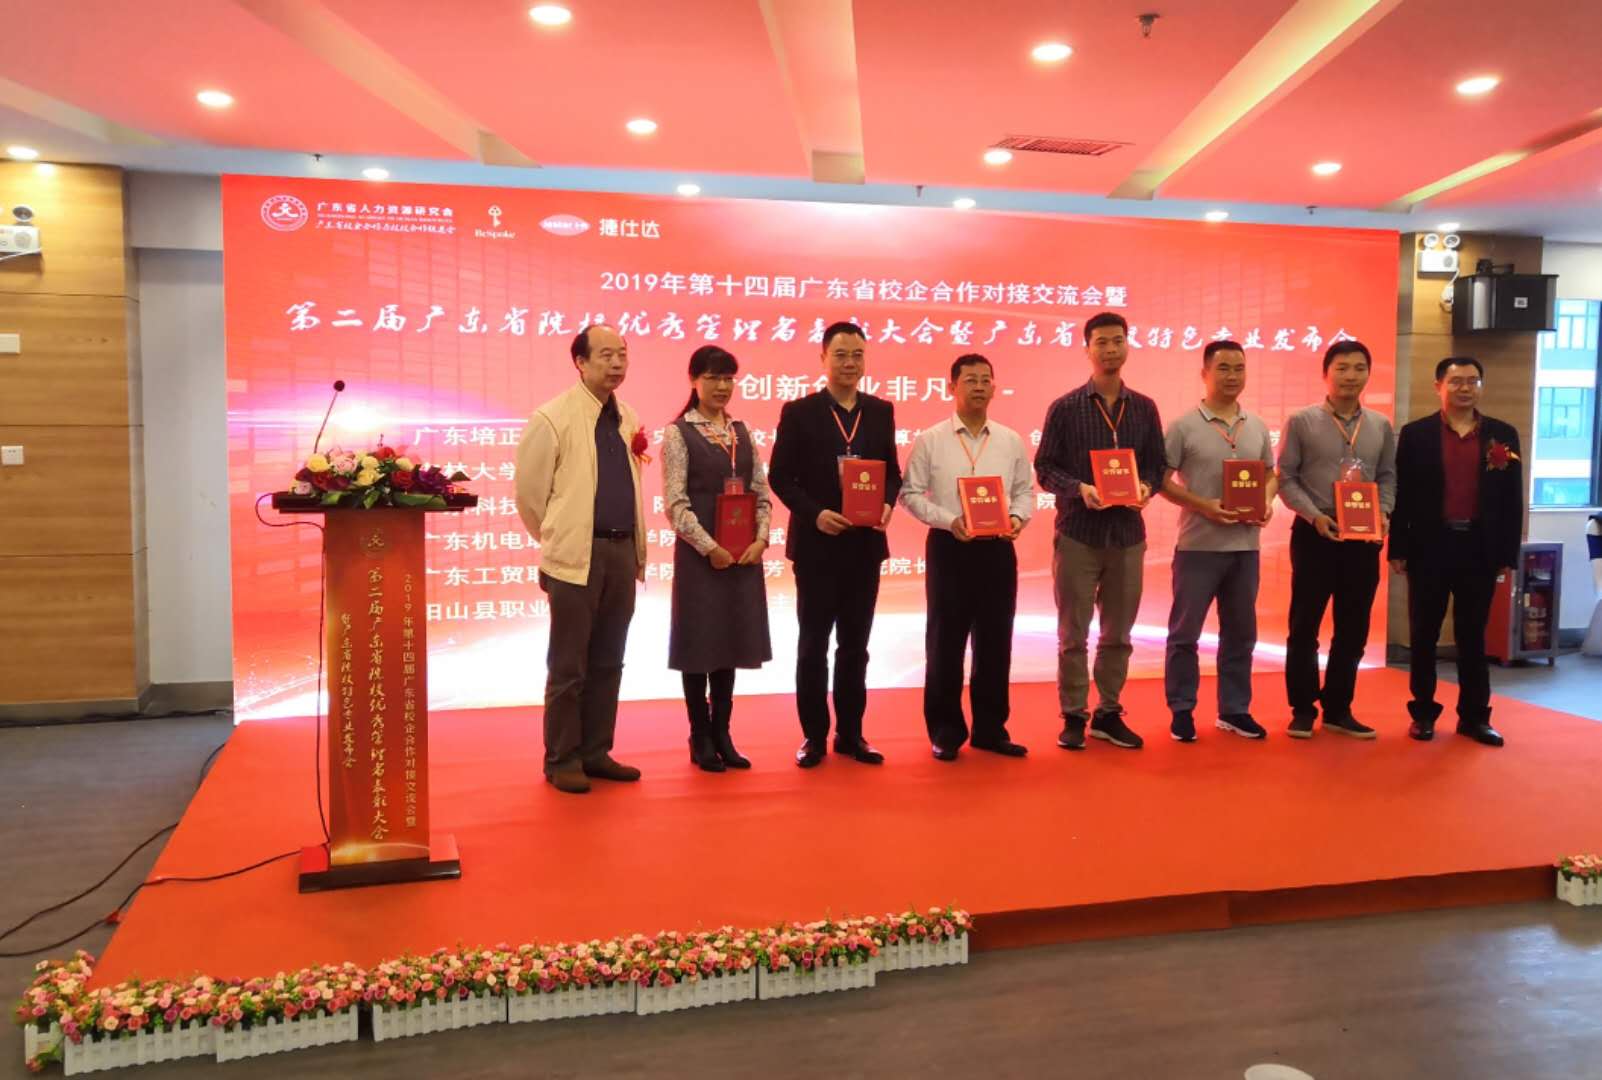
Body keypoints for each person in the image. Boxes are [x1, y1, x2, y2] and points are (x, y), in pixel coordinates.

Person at [514, 324, 645, 794]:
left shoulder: (627, 416)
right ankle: (562, 758)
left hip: (621, 552)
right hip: (575, 557)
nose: (617, 363)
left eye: (622, 354)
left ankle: (595, 751)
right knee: (569, 665)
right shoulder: (552, 417)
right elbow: (530, 497)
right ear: (580, 362)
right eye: (605, 355)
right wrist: (559, 538)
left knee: (609, 660)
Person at [769, 320, 902, 768]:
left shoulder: (879, 410)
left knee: (855, 646)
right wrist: (815, 514)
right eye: (841, 354)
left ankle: (851, 734)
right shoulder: (800, 411)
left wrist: (887, 504)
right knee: (813, 645)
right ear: (823, 358)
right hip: (817, 546)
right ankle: (813, 736)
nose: (850, 363)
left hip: (864, 547)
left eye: (857, 355)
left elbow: (893, 472)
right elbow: (780, 476)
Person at [1035, 312, 1164, 752]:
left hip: (1127, 535)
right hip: (1078, 533)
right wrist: (1080, 489)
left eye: (1117, 341)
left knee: (1119, 634)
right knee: (1073, 634)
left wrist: (1146, 487)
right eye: (1102, 342)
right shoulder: (1066, 407)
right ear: (1087, 348)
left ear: (1127, 345)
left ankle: (1109, 712)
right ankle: (1074, 714)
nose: (1110, 349)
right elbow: (1044, 468)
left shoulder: (1144, 407)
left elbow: (1156, 465)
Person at [900, 354, 1035, 761]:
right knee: (945, 642)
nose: (979, 386)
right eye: (970, 380)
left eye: (985, 380)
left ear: (994, 387)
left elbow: (1024, 491)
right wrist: (948, 520)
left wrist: (1017, 517)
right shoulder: (931, 439)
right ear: (952, 387)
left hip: (997, 548)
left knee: (996, 642)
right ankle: (945, 730)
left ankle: (990, 729)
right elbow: (909, 494)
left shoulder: (1010, 440)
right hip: (950, 547)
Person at [1389, 357, 1522, 747]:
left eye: (1473, 381)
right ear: (1439, 386)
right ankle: (1423, 714)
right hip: (1429, 546)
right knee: (1424, 633)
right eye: (1457, 381)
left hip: (1479, 547)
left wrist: (1506, 553)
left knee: (1472, 636)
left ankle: (1475, 717)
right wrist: (1398, 547)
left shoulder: (1503, 434)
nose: (1465, 388)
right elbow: (1402, 495)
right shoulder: (1416, 434)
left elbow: (1511, 499)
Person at [1276, 339, 1397, 739]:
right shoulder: (1302, 421)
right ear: (1325, 374)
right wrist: (1313, 516)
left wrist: (1384, 512)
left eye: (1359, 368)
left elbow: (1387, 476)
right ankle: (1302, 708)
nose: (1350, 376)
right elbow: (1286, 478)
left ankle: (1338, 708)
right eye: (1342, 368)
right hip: (1316, 532)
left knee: (1353, 627)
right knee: (1304, 625)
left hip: (1363, 536)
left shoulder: (1379, 425)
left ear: (1368, 374)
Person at [1160, 340, 1279, 742]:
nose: (1232, 376)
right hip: (1198, 547)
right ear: (1205, 373)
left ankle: (1234, 709)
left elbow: (1270, 474)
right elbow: (1160, 482)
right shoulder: (1183, 426)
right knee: (1185, 634)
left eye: (1239, 368)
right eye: (1223, 368)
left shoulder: (1256, 425)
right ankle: (1182, 709)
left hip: (1245, 547)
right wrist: (1204, 506)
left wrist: (1266, 501)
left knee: (1241, 634)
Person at [662, 345, 773, 770]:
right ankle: (700, 735)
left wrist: (760, 539)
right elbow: (676, 504)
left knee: (730, 641)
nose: (722, 386)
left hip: (742, 556)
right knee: (699, 644)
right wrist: (710, 547)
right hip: (701, 558)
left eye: (728, 378)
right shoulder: (679, 433)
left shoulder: (741, 431)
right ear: (694, 381)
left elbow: (760, 491)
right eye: (712, 377)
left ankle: (723, 733)